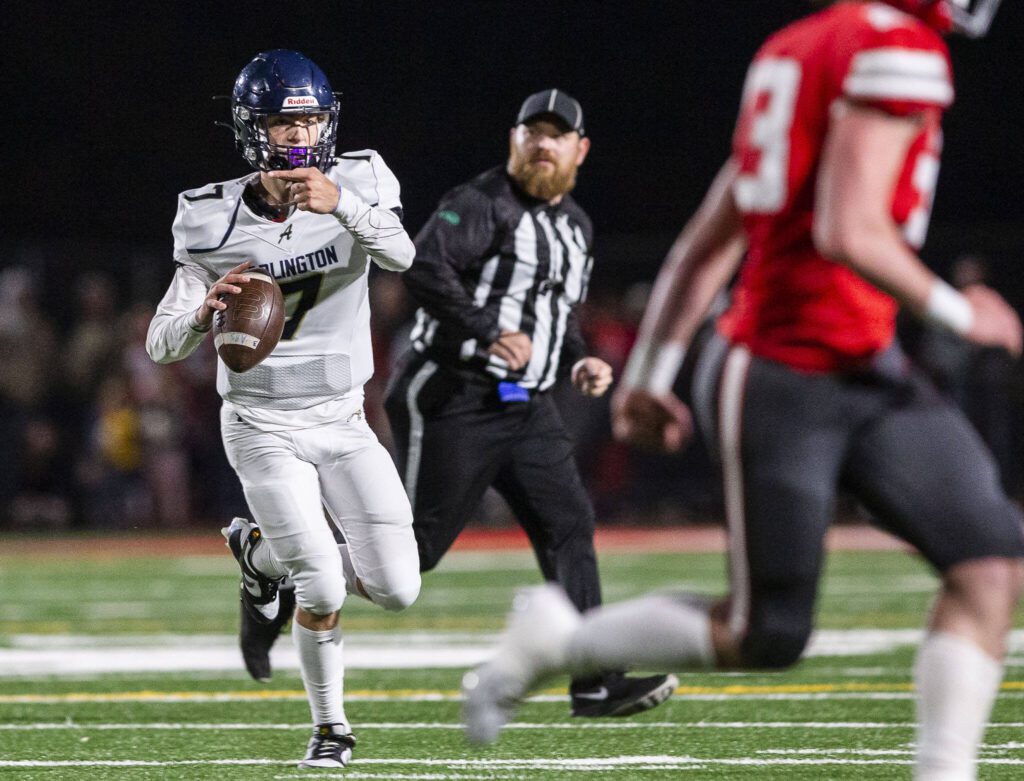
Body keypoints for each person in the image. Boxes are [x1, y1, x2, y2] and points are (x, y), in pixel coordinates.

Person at [461, 3, 1024, 779]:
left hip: (866, 360)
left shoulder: (799, 47)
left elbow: (709, 236)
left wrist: (651, 375)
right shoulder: (898, 47)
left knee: (988, 560)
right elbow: (849, 229)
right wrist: (966, 313)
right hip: (785, 369)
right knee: (767, 632)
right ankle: (561, 643)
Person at [146, 49, 421, 769]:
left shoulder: (358, 178)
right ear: (251, 130)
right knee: (324, 581)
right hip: (263, 426)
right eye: (282, 123)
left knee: (398, 586)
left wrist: (347, 207)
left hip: (342, 416)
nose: (299, 137)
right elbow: (159, 343)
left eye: (309, 119)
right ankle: (332, 729)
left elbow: (402, 256)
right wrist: (196, 313)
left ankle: (257, 552)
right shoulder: (209, 217)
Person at [382, 89, 676, 717]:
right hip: (454, 392)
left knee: (570, 526)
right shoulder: (480, 203)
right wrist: (488, 329)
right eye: (532, 132)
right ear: (512, 141)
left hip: (526, 404)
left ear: (580, 149)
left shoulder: (576, 226)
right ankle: (279, 558)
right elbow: (424, 268)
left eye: (557, 134)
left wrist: (578, 359)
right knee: (414, 552)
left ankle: (595, 680)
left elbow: (555, 315)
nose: (544, 144)